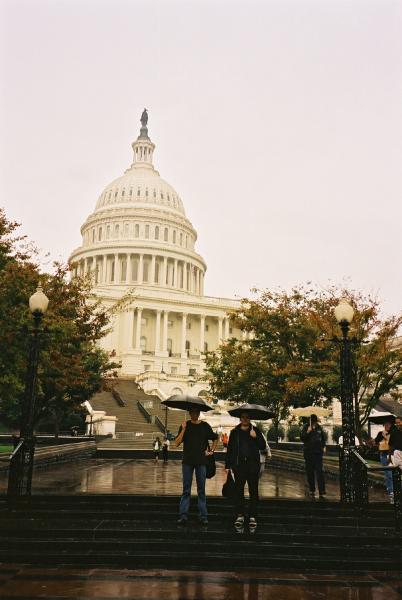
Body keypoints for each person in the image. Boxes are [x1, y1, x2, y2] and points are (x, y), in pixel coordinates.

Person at [174, 407, 218, 526]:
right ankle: (183, 515)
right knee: (186, 489)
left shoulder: (205, 426)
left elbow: (215, 438)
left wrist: (211, 451)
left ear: (199, 413)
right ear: (189, 413)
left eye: (197, 412)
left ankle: (203, 516)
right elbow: (176, 443)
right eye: (193, 412)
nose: (195, 414)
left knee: (201, 490)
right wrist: (183, 430)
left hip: (201, 462)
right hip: (187, 461)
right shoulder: (185, 425)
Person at [225, 411, 267, 531]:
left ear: (249, 419)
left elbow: (263, 446)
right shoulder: (235, 432)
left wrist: (256, 437)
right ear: (240, 418)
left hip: (253, 466)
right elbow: (230, 449)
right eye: (242, 417)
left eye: (247, 417)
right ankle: (240, 514)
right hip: (239, 466)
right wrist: (228, 465)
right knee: (239, 491)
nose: (244, 419)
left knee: (254, 491)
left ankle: (253, 515)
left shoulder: (256, 430)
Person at [301, 414, 326, 500]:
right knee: (310, 472)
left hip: (318, 453)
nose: (314, 423)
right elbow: (302, 438)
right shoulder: (305, 427)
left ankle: (322, 491)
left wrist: (324, 446)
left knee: (320, 472)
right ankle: (312, 489)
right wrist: (308, 432)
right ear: (310, 420)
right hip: (308, 453)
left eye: (315, 421)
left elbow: (323, 439)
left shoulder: (319, 428)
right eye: (313, 421)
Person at [374, 420, 394, 501]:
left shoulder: (393, 433)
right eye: (385, 424)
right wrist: (382, 436)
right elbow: (376, 441)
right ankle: (390, 491)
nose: (387, 426)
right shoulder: (380, 433)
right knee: (388, 473)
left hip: (391, 454)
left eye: (388, 424)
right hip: (383, 454)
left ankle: (393, 489)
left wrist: (387, 437)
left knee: (392, 473)